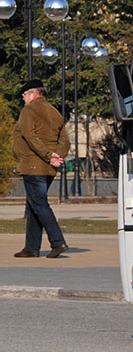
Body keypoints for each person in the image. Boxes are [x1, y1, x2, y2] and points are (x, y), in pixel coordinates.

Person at [11, 80, 70, 259]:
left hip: (33, 165)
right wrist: (57, 156)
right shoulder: (54, 111)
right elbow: (65, 140)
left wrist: (48, 155)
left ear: (33, 94)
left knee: (39, 204)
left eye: (24, 95)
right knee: (33, 205)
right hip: (48, 167)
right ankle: (31, 247)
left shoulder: (30, 110)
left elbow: (30, 135)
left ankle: (58, 242)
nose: (23, 99)